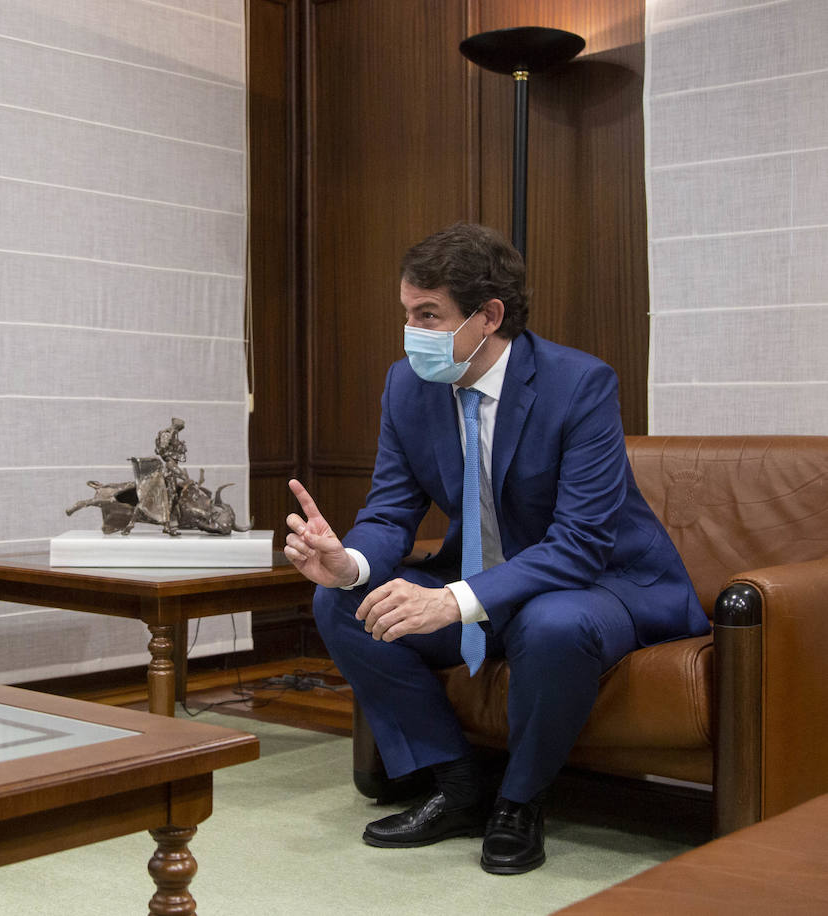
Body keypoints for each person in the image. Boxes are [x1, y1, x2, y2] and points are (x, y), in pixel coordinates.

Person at [284, 223, 707, 875]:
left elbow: (580, 544)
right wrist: (348, 562)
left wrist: (454, 601)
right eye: (407, 313)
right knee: (341, 603)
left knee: (553, 621)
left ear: (488, 316)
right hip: (484, 579)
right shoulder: (406, 386)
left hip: (599, 584)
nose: (412, 332)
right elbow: (392, 510)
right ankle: (456, 786)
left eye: (429, 315)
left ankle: (520, 801)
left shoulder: (579, 384)